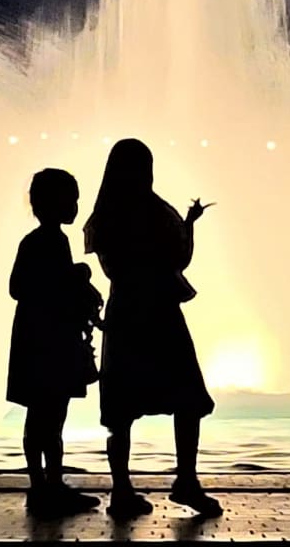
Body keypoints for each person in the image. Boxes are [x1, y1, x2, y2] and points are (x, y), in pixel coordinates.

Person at [84, 138, 221, 520]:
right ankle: (186, 480)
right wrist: (189, 225)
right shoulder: (157, 211)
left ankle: (122, 489)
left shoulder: (105, 215)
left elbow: (112, 265)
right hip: (160, 313)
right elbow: (180, 258)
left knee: (121, 408)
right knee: (187, 398)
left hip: (125, 313)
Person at [6, 168, 104, 518]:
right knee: (50, 416)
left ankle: (43, 485)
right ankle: (48, 485)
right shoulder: (50, 242)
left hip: (37, 338)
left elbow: (20, 287)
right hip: (48, 341)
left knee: (41, 415)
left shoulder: (38, 241)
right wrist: (74, 276)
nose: (75, 206)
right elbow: (21, 287)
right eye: (71, 199)